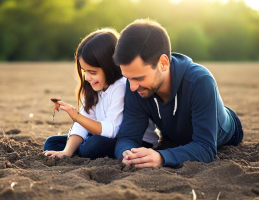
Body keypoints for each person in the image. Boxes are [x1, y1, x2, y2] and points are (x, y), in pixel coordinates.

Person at [113, 19, 244, 168]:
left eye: (139, 78)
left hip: (225, 135)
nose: (132, 87)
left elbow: (206, 149)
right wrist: (127, 155)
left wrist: (161, 158)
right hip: (175, 136)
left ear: (163, 63)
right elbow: (127, 137)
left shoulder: (200, 81)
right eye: (128, 78)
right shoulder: (136, 87)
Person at [43, 28, 158, 159]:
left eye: (93, 72)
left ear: (110, 67)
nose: (86, 78)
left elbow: (111, 130)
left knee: (94, 144)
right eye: (85, 71)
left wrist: (77, 116)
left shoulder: (121, 86)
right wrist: (67, 151)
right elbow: (82, 124)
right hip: (102, 134)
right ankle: (79, 150)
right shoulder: (94, 87)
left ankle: (83, 149)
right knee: (52, 142)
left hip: (133, 141)